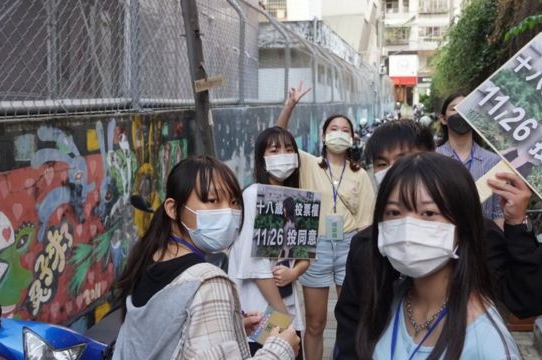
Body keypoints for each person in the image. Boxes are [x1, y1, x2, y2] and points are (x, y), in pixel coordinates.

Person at [334, 120, 542, 359]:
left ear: (431, 158)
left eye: (404, 159)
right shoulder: (368, 245)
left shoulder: (477, 235)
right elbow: (350, 327)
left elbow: (528, 300)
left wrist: (517, 225)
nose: (396, 171)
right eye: (382, 164)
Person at [114, 156, 300, 360]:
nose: (228, 212)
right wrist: (280, 349)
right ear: (172, 209)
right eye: (212, 200)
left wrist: (232, 327)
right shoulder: (209, 282)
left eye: (234, 202)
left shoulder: (148, 260)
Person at [357, 152, 521, 359]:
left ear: (462, 227)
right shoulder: (388, 301)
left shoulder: (486, 342)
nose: (408, 228)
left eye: (428, 213)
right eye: (394, 213)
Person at [277, 82, 375, 360]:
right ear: (323, 135)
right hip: (315, 247)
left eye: (345, 130)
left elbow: (367, 221)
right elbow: (279, 139)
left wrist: (366, 259)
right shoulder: (308, 163)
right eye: (334, 129)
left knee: (351, 318)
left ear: (353, 138)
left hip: (349, 245)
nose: (339, 134)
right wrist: (290, 106)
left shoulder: (360, 174)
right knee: (316, 322)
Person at [228, 127, 310, 359]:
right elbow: (257, 268)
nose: (282, 154)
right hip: (261, 310)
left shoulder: (298, 197)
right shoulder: (254, 195)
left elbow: (304, 254)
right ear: (262, 159)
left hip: (289, 308)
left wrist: (294, 273)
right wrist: (284, 319)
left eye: (288, 149)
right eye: (274, 150)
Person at [436, 93, 505, 227]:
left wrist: (496, 245)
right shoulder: (432, 159)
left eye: (466, 107)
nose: (461, 113)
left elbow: (498, 212)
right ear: (443, 119)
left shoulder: (493, 162)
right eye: (454, 109)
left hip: (484, 242)